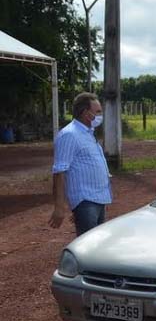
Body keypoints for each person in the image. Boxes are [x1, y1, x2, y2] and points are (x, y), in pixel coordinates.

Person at [48, 92, 112, 236]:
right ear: (85, 113)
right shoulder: (70, 135)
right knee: (88, 246)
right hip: (86, 200)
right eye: (98, 111)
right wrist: (60, 207)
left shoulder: (88, 134)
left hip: (98, 199)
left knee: (96, 244)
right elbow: (59, 172)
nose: (101, 115)